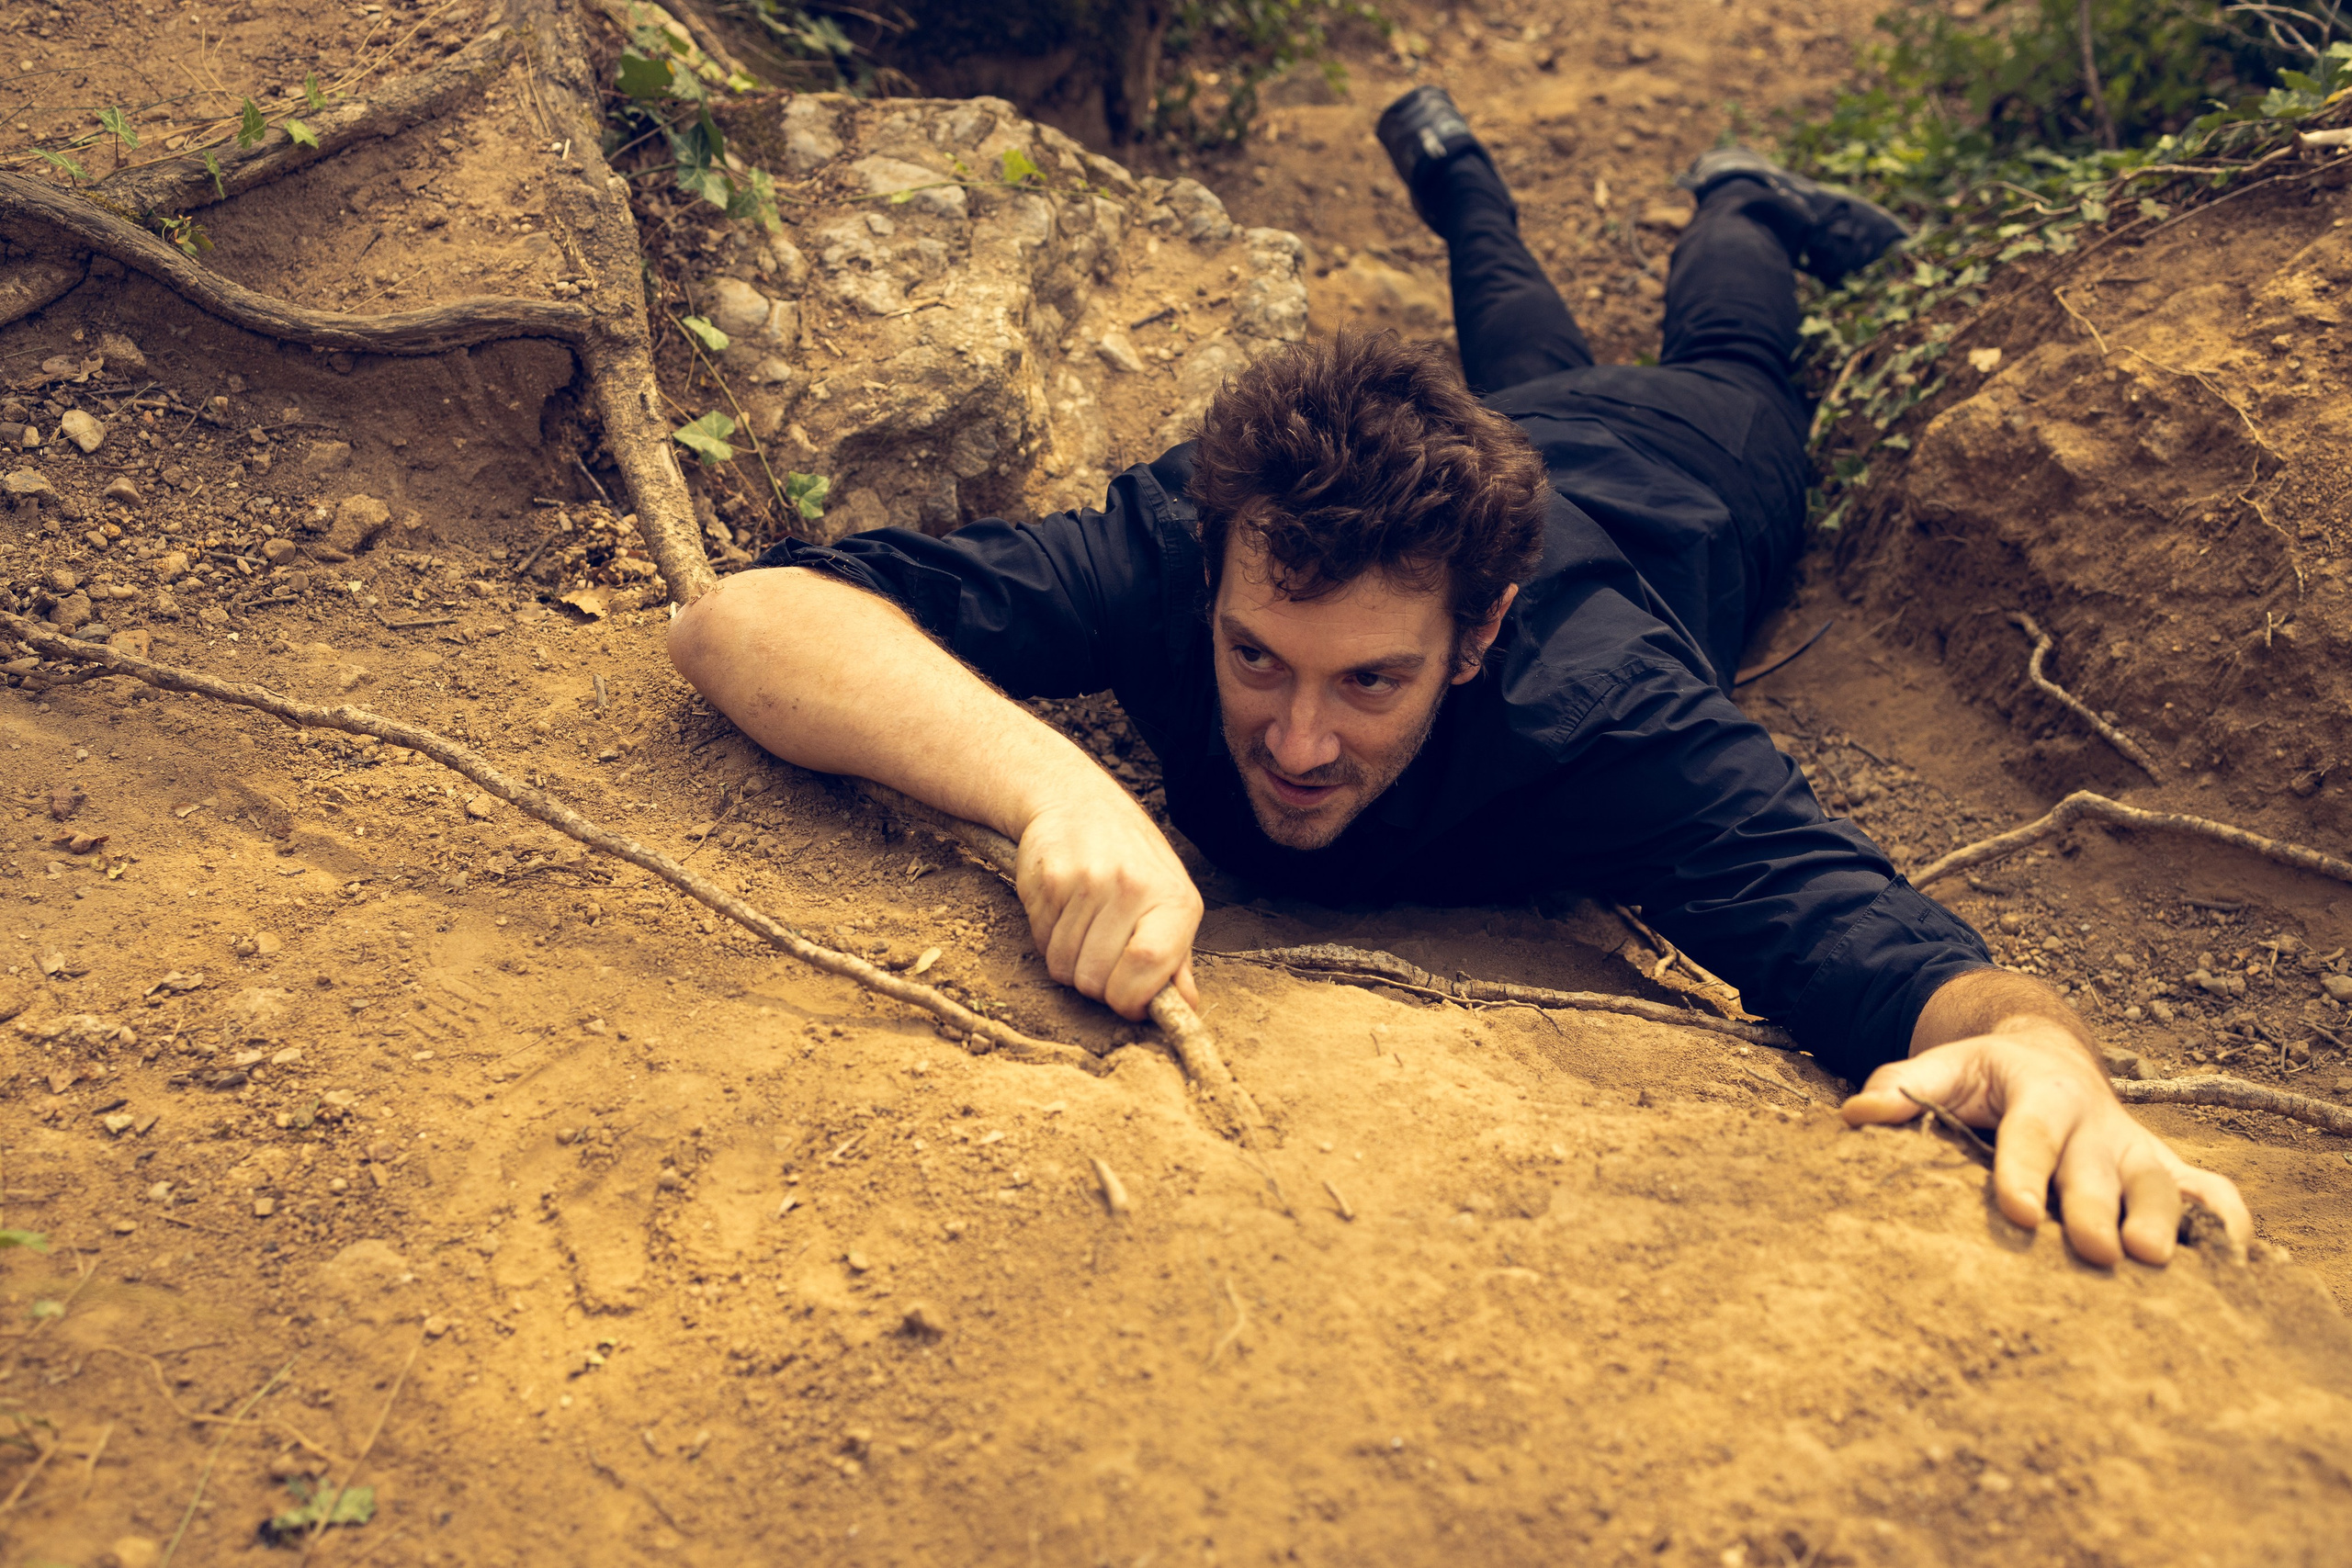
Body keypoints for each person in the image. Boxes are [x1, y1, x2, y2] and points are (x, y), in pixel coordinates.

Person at [669, 86, 2251, 1267]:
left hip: (1682, 469)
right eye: (1255, 659)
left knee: (1733, 364)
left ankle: (1743, 204)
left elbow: (1862, 931)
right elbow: (750, 618)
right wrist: (1057, 790)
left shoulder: (1606, 710)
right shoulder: (1186, 550)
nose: (1297, 740)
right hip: (1515, 440)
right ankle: (1465, 182)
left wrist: (2041, 1052)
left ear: (1479, 639)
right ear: (1218, 576)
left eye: (1370, 684)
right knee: (1521, 361)